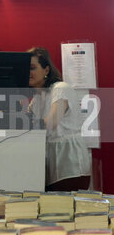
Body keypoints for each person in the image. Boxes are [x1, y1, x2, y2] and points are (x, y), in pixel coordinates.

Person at [28, 47, 91, 191]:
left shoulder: (60, 88)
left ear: (46, 70)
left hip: (70, 166)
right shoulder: (37, 100)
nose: (28, 73)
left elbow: (51, 122)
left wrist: (21, 122)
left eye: (32, 68)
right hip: (51, 167)